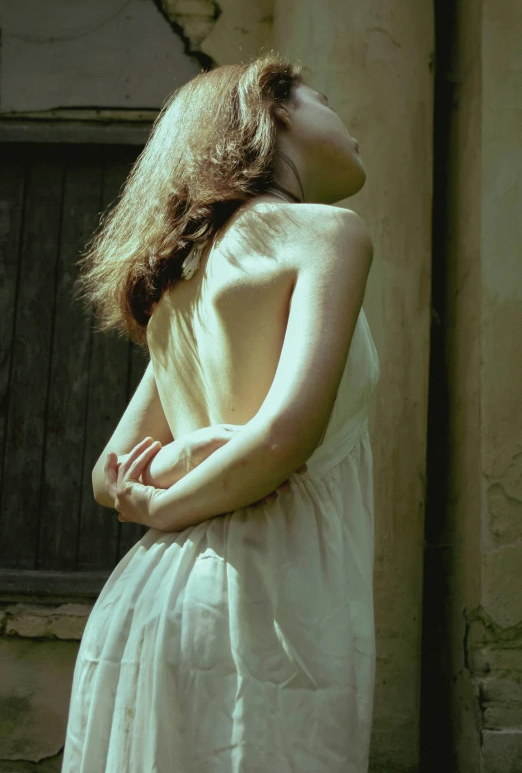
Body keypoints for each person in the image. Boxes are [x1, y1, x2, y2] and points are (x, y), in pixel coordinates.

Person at [62, 51, 380, 772]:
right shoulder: (330, 232)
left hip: (145, 607)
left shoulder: (180, 283)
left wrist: (174, 469)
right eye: (324, 98)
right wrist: (176, 497)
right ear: (276, 114)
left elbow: (110, 474)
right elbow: (284, 438)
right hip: (270, 614)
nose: (347, 122)